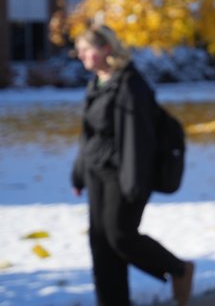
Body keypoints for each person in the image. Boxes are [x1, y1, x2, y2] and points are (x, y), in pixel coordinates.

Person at [71, 25, 194, 306]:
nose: (81, 56)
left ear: (105, 49)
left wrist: (135, 184)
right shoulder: (98, 83)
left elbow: (138, 139)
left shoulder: (130, 84)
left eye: (86, 49)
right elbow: (88, 134)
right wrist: (78, 175)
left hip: (122, 174)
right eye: (79, 50)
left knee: (120, 235)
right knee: (101, 245)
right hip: (96, 173)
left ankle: (179, 269)